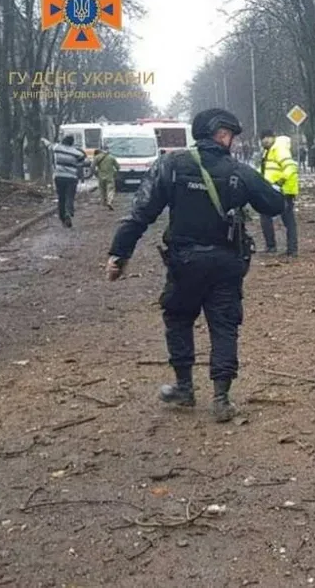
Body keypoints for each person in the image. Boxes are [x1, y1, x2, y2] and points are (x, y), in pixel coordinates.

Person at [105, 108, 284, 423]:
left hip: (184, 262)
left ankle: (184, 387)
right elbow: (273, 203)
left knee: (178, 318)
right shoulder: (237, 171)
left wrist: (120, 254)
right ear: (222, 134)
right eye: (231, 135)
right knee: (225, 324)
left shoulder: (171, 165)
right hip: (227, 262)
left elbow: (140, 213)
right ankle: (222, 398)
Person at [260, 132, 300, 257]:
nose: (264, 142)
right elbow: (266, 170)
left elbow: (290, 167)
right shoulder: (269, 151)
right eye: (262, 139)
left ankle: (291, 249)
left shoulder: (280, 149)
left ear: (273, 137)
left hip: (283, 190)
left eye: (266, 138)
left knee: (287, 220)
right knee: (266, 216)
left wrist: (280, 182)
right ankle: (272, 246)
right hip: (272, 189)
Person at [52, 134, 86, 228]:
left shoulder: (57, 148)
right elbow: (83, 159)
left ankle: (62, 217)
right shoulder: (76, 152)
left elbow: (50, 146)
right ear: (72, 142)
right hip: (71, 178)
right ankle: (68, 212)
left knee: (61, 197)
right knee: (70, 197)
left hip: (59, 177)